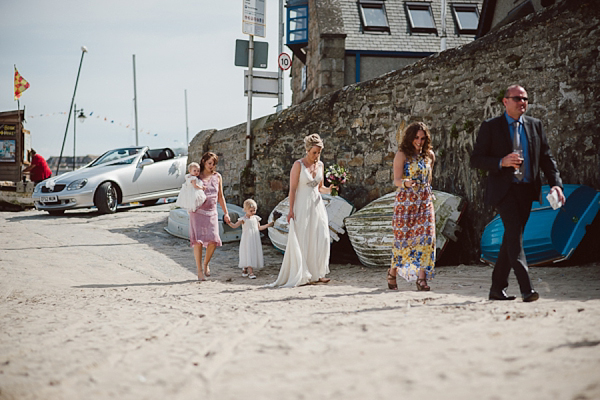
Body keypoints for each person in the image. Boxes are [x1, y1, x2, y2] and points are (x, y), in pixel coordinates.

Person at [471, 85, 565, 302]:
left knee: (511, 238)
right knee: (515, 235)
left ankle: (497, 289)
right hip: (504, 191)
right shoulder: (491, 127)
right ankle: (527, 289)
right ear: (505, 101)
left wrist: (556, 184)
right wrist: (500, 162)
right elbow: (476, 159)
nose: (522, 102)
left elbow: (546, 158)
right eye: (517, 98)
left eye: (525, 99)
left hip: (526, 190)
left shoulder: (535, 126)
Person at [267, 134, 337, 288]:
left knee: (322, 237)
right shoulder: (298, 165)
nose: (317, 156)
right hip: (302, 205)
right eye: (314, 153)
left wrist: (331, 189)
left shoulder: (321, 165)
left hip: (317, 205)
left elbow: (320, 188)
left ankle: (318, 273)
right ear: (307, 150)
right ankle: (303, 273)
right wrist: (291, 210)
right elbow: (292, 189)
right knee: (303, 237)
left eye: (319, 152)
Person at [387, 122, 436, 292]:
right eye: (416, 138)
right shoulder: (402, 155)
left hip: (424, 201)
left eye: (422, 138)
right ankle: (392, 272)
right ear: (410, 138)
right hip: (405, 202)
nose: (419, 141)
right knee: (403, 239)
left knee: (426, 238)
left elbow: (429, 179)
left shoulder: (429, 155)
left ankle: (422, 279)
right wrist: (406, 183)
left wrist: (426, 194)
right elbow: (396, 180)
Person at [189, 152, 231, 281]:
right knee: (198, 241)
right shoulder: (196, 176)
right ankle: (199, 270)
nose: (212, 166)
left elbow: (220, 196)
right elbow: (187, 191)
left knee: (213, 240)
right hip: (197, 212)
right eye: (209, 163)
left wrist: (226, 212)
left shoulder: (217, 177)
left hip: (212, 212)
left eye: (213, 164)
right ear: (203, 161)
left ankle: (206, 263)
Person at [227, 199, 274, 279]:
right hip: (247, 239)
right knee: (248, 252)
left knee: (252, 252)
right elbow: (235, 226)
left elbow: (259, 228)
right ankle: (251, 272)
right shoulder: (243, 219)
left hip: (254, 238)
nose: (253, 212)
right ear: (246, 210)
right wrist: (229, 222)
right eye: (251, 210)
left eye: (254, 210)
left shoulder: (256, 218)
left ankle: (245, 268)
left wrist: (268, 225)